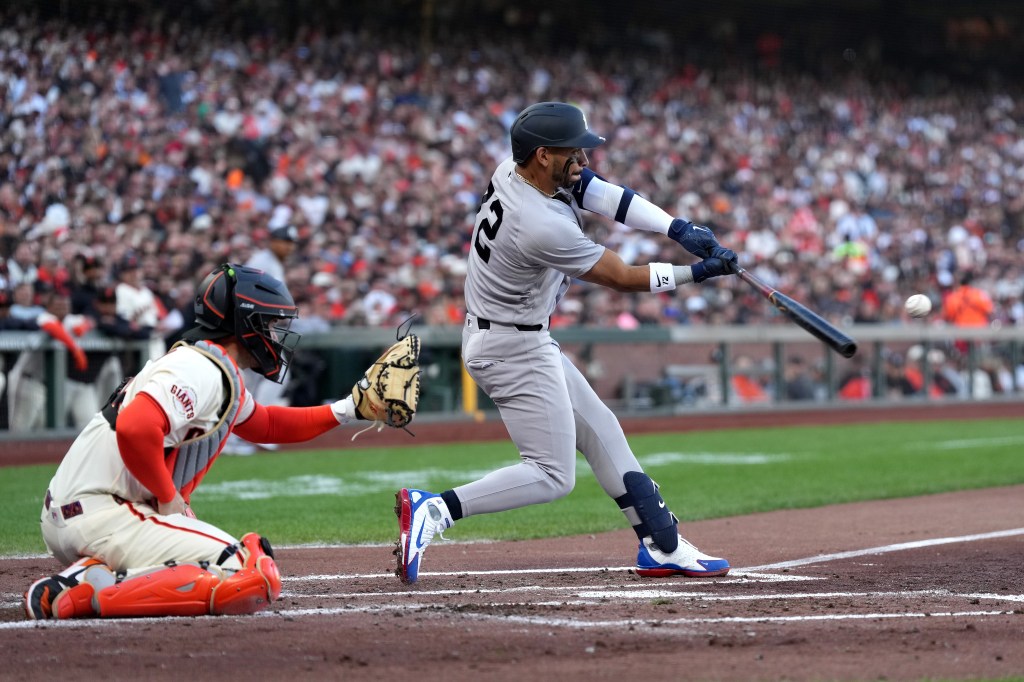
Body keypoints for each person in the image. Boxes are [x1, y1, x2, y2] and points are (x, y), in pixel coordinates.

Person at [394, 101, 736, 583]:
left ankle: (662, 544)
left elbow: (601, 194)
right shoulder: (541, 225)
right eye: (570, 151)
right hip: (511, 348)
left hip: (517, 336)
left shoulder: (516, 171)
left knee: (602, 430)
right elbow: (622, 277)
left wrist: (677, 229)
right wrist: (696, 272)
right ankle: (437, 509)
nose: (582, 158)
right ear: (540, 156)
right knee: (552, 475)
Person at [24, 264, 410, 620]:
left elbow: (266, 425)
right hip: (105, 511)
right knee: (249, 574)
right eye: (271, 324)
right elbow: (135, 427)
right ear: (245, 323)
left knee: (224, 565)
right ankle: (85, 594)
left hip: (81, 513)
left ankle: (94, 577)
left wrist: (349, 409)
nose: (277, 335)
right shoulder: (202, 368)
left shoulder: (207, 364)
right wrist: (166, 496)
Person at [223, 224, 300, 455]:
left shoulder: (271, 262)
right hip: (252, 324)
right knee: (276, 373)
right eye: (284, 241)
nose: (288, 247)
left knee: (253, 381)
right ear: (273, 241)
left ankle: (241, 433)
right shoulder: (262, 261)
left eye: (290, 243)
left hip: (258, 324)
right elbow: (246, 293)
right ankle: (251, 431)